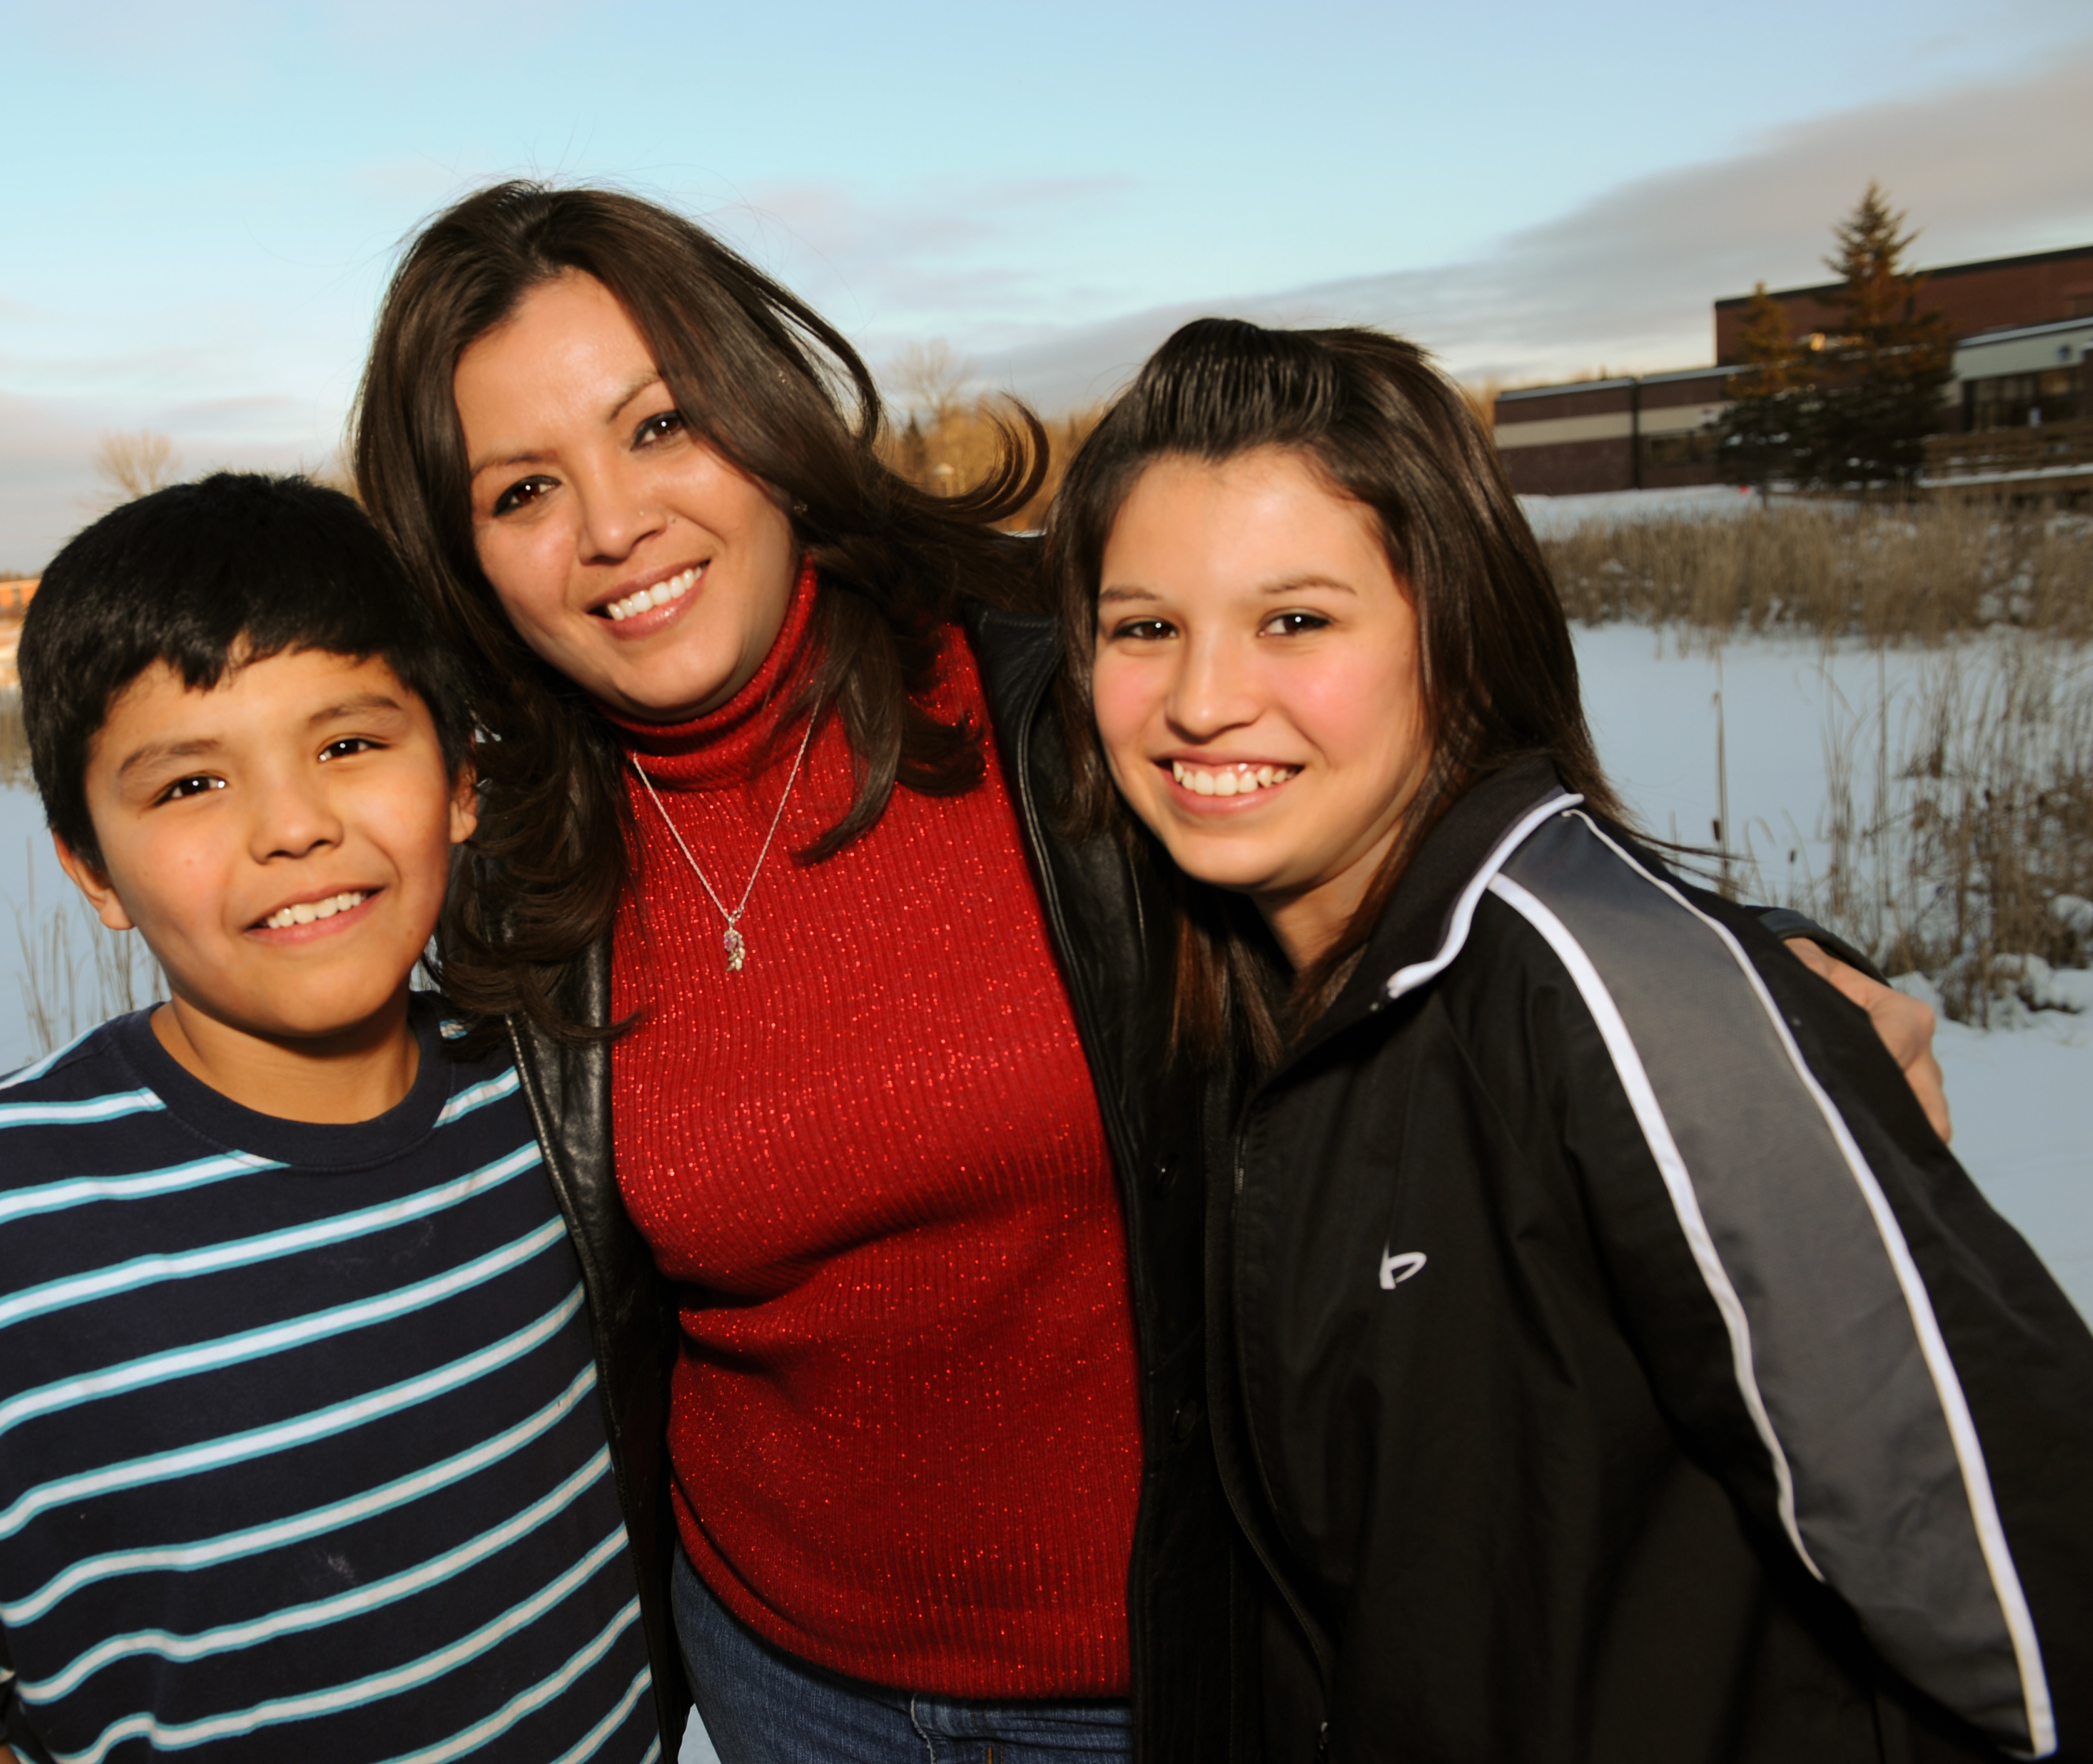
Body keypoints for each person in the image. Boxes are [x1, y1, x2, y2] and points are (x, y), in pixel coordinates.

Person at [349, 183, 1959, 1764]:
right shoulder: (522, 877)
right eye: (520, 492)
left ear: (766, 417)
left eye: (657, 426)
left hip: (1183, 1670)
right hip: (786, 1683)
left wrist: (1747, 992)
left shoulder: (1078, 705)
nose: (612, 525)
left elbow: (1434, 843)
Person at [1049, 317, 2093, 1762]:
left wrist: (1744, 998)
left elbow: (2018, 1591)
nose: (1202, 698)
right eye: (1143, 626)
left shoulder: (1627, 1004)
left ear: (1453, 632)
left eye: (1297, 619)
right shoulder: (1250, 993)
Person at [0, 475, 660, 1764]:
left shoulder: (559, 1106)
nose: (293, 828)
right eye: (186, 787)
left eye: (348, 744)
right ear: (90, 868)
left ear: (458, 782)